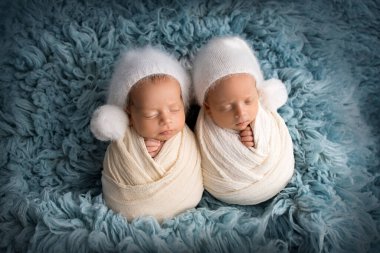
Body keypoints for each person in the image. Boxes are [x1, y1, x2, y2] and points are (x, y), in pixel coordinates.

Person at [90, 46, 203, 221]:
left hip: (186, 198)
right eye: (151, 114)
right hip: (129, 205)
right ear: (129, 114)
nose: (166, 120)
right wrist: (143, 155)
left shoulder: (187, 138)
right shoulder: (124, 143)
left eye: (174, 109)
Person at [192, 36, 294, 205]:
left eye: (248, 101)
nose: (241, 113)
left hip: (277, 170)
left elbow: (266, 125)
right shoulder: (204, 132)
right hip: (231, 188)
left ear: (258, 93)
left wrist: (258, 135)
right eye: (226, 107)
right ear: (208, 107)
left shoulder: (263, 113)